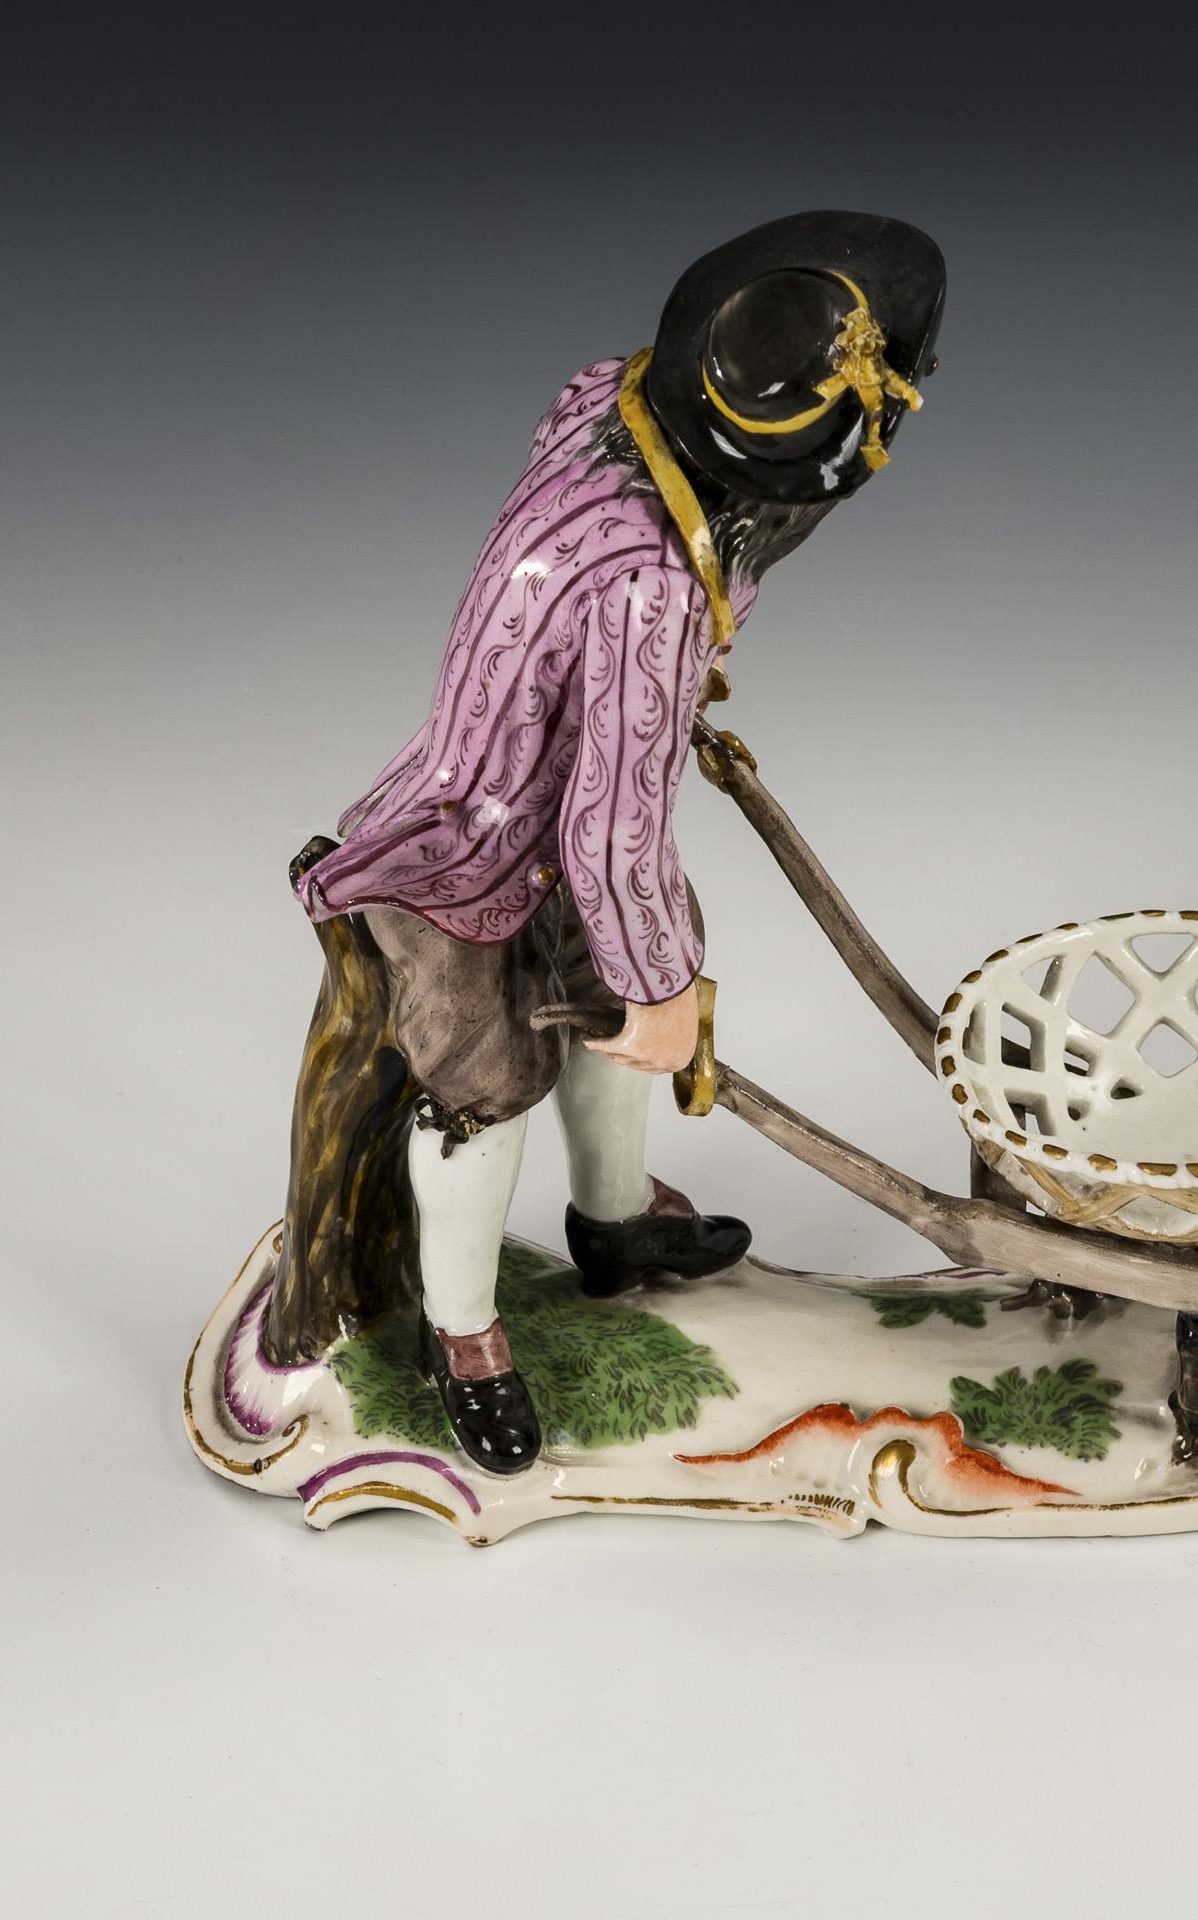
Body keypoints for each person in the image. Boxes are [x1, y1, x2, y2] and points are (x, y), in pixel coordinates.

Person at [293, 211, 947, 1474]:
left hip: (547, 813)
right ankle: (464, 1331)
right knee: (487, 1090)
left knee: (623, 985)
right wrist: (659, 996)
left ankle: (612, 1223)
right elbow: (611, 823)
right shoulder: (658, 585)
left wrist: (643, 976)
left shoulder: (613, 393)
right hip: (461, 850)